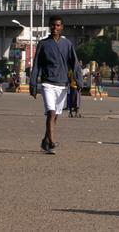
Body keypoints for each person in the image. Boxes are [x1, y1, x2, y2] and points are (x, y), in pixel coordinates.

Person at [29, 15, 83, 155]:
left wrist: (79, 81)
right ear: (49, 26)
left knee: (55, 116)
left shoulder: (67, 44)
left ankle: (45, 141)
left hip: (62, 85)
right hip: (47, 84)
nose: (55, 28)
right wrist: (33, 84)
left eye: (58, 25)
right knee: (51, 113)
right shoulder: (43, 44)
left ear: (62, 27)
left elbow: (75, 64)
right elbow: (36, 66)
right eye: (53, 25)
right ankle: (52, 143)